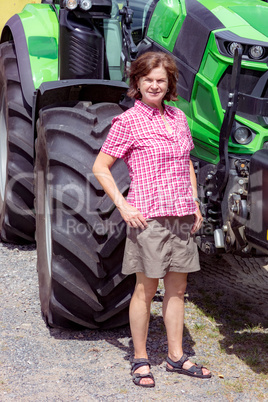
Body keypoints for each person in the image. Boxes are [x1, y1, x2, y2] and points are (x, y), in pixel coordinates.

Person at [92, 51, 211, 387]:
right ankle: (140, 359)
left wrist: (195, 202)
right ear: (138, 83)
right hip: (149, 217)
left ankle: (175, 357)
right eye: (149, 80)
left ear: (169, 83)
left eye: (161, 80)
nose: (155, 85)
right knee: (146, 289)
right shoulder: (128, 121)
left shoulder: (178, 118)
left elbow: (186, 161)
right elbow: (100, 167)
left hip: (181, 215)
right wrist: (124, 206)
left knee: (178, 288)